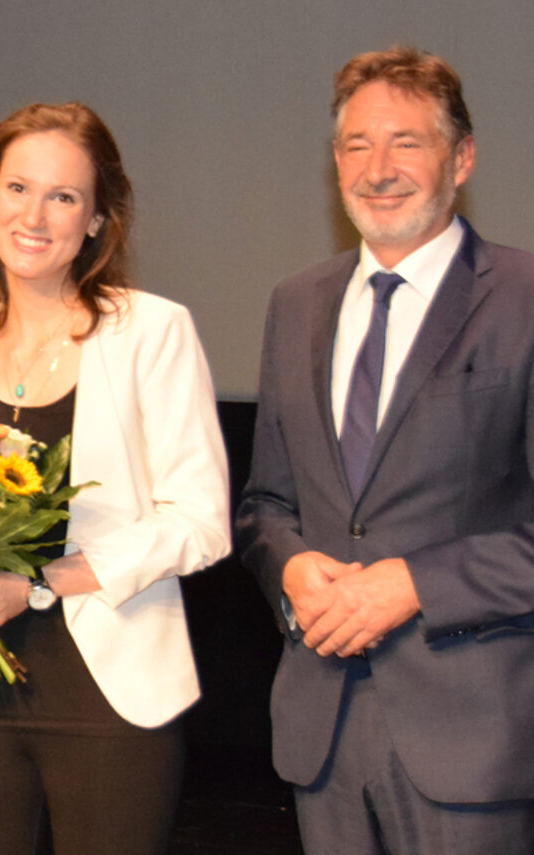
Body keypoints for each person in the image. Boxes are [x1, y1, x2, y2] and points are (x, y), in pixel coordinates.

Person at [236, 45, 534, 852]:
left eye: (407, 141)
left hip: (474, 737)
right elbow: (266, 504)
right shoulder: (295, 302)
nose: (379, 168)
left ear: (462, 157)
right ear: (335, 162)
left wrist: (416, 582)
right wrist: (292, 569)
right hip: (321, 727)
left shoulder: (523, 298)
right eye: (357, 145)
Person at [0, 102, 230, 855]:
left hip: (106, 695)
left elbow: (201, 519)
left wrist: (39, 583)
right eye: (17, 187)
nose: (35, 213)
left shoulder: (151, 330)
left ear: (95, 219)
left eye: (63, 197)